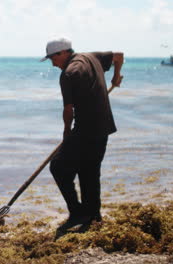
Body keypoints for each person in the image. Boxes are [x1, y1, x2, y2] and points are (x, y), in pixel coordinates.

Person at [40, 37, 124, 233]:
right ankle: (93, 216)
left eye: (53, 59)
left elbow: (68, 110)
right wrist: (116, 76)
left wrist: (66, 132)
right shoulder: (91, 56)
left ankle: (77, 212)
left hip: (86, 128)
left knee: (59, 167)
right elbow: (119, 56)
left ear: (62, 53)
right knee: (89, 172)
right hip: (103, 126)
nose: (53, 64)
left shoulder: (69, 74)